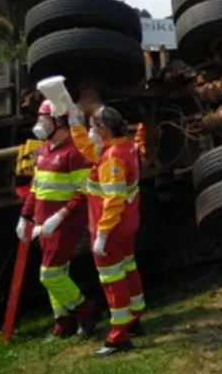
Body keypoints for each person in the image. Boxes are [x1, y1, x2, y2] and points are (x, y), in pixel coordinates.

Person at [16, 99, 97, 339]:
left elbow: (83, 191)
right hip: (42, 222)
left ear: (60, 122)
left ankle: (85, 310)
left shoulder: (75, 152)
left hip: (65, 223)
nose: (39, 124)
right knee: (58, 273)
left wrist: (59, 217)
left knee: (48, 275)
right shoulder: (42, 151)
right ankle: (63, 324)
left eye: (44, 119)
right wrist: (25, 216)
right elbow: (35, 187)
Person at [68, 104, 145, 356]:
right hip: (126, 226)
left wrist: (101, 235)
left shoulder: (111, 159)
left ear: (104, 129)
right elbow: (89, 150)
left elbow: (113, 200)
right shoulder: (123, 146)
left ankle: (118, 336)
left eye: (92, 127)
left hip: (110, 229)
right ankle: (134, 319)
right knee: (129, 269)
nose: (90, 131)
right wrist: (75, 124)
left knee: (112, 280)